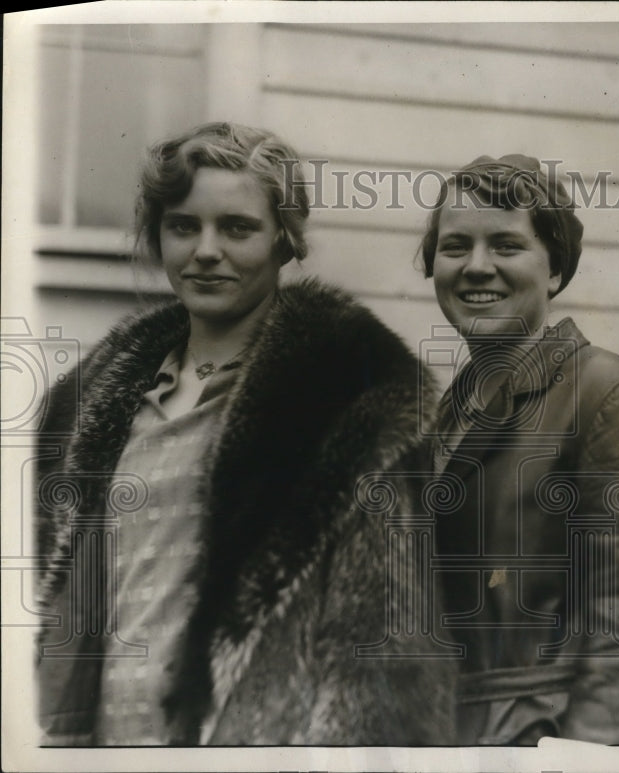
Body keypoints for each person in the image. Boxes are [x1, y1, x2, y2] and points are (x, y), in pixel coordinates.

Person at [34, 122, 454, 745]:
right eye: (183, 226)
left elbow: (386, 648)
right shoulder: (88, 401)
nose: (206, 250)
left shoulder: (351, 397)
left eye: (237, 228)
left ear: (286, 242)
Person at [420, 154, 619, 745]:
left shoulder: (603, 393)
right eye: (454, 247)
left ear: (554, 271)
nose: (476, 267)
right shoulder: (441, 417)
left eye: (506, 245)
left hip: (542, 743)